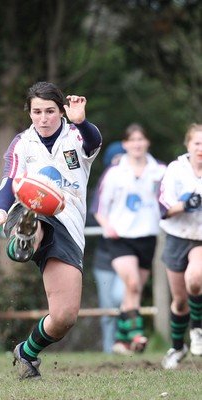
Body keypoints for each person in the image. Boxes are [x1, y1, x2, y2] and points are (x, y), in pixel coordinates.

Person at [0, 81, 102, 379]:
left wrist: (82, 121)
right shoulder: (22, 144)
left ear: (61, 111)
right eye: (37, 112)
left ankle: (27, 352)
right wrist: (0, 209)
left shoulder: (77, 136)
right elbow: (10, 180)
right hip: (28, 209)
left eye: (50, 111)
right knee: (33, 218)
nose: (43, 118)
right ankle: (24, 239)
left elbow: (94, 141)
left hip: (68, 224)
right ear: (30, 113)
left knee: (64, 317)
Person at [94, 123, 166, 355]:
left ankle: (122, 341)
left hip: (147, 236)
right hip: (120, 237)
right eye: (132, 140)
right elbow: (99, 208)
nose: (137, 144)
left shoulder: (160, 171)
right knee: (132, 283)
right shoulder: (114, 173)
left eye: (141, 139)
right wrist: (108, 226)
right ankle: (136, 333)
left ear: (147, 142)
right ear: (125, 144)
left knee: (132, 291)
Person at [159, 123, 202, 369]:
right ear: (188, 145)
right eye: (197, 143)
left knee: (195, 279)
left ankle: (197, 330)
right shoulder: (176, 169)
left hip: (200, 238)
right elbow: (164, 207)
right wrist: (186, 205)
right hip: (177, 236)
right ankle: (178, 347)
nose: (201, 148)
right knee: (180, 300)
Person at [89, 141, 126, 353]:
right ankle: (108, 351)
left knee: (122, 298)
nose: (120, 164)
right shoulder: (101, 188)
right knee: (107, 308)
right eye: (116, 160)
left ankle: (126, 343)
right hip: (104, 258)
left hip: (128, 253)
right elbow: (91, 218)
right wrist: (108, 223)